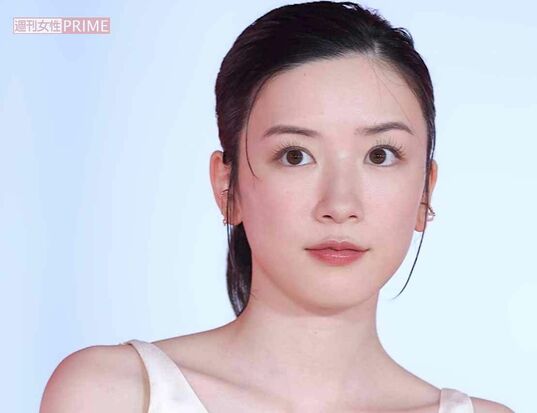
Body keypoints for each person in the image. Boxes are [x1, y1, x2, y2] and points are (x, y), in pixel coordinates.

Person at [40, 2, 513, 412]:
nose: (340, 205)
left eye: (379, 155)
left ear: (425, 192)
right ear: (227, 188)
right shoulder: (114, 393)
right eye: (295, 156)